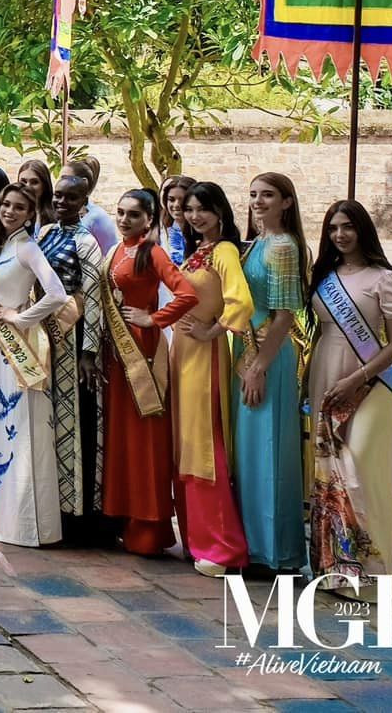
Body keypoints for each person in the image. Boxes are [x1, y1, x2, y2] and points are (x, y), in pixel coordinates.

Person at [307, 199, 392, 600]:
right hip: (326, 376)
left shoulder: (385, 279)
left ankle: (377, 571)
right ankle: (337, 568)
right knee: (329, 475)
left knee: (361, 472)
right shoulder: (325, 275)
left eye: (348, 226)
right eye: (333, 227)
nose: (340, 234)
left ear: (362, 229)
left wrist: (356, 379)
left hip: (373, 385)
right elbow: (319, 332)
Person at [99, 190, 196, 556]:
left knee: (145, 436)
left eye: (134, 215)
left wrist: (153, 318)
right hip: (116, 350)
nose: (124, 220)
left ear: (149, 219)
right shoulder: (116, 250)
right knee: (122, 435)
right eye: (120, 212)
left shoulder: (150, 252)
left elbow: (186, 294)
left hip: (141, 349)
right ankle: (123, 519)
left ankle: (149, 527)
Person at [173, 181, 252, 576]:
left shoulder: (223, 252)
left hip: (204, 357)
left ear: (220, 210)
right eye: (189, 209)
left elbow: (242, 301)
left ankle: (223, 549)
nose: (195, 216)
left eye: (203, 208)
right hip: (182, 356)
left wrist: (212, 331)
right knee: (187, 445)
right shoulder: (197, 252)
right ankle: (197, 539)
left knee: (205, 447)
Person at [0, 184, 67, 547]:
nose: (10, 211)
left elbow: (58, 293)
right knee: (0, 430)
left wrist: (22, 318)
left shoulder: (29, 248)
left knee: (21, 428)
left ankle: (28, 526)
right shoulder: (3, 245)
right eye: (6, 204)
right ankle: (5, 518)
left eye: (19, 207)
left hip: (16, 349)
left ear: (31, 213)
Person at [237, 171, 308, 576]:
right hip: (247, 354)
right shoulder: (258, 242)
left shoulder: (282, 246)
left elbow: (284, 316)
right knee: (250, 454)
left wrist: (259, 367)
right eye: (253, 195)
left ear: (287, 202)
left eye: (267, 195)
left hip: (269, 357)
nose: (258, 201)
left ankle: (278, 552)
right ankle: (254, 546)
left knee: (271, 451)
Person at [37, 174, 108, 544]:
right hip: (44, 335)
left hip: (72, 336)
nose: (62, 202)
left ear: (84, 202)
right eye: (58, 196)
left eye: (70, 198)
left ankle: (77, 513)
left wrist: (89, 352)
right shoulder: (46, 233)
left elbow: (93, 297)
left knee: (74, 419)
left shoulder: (86, 242)